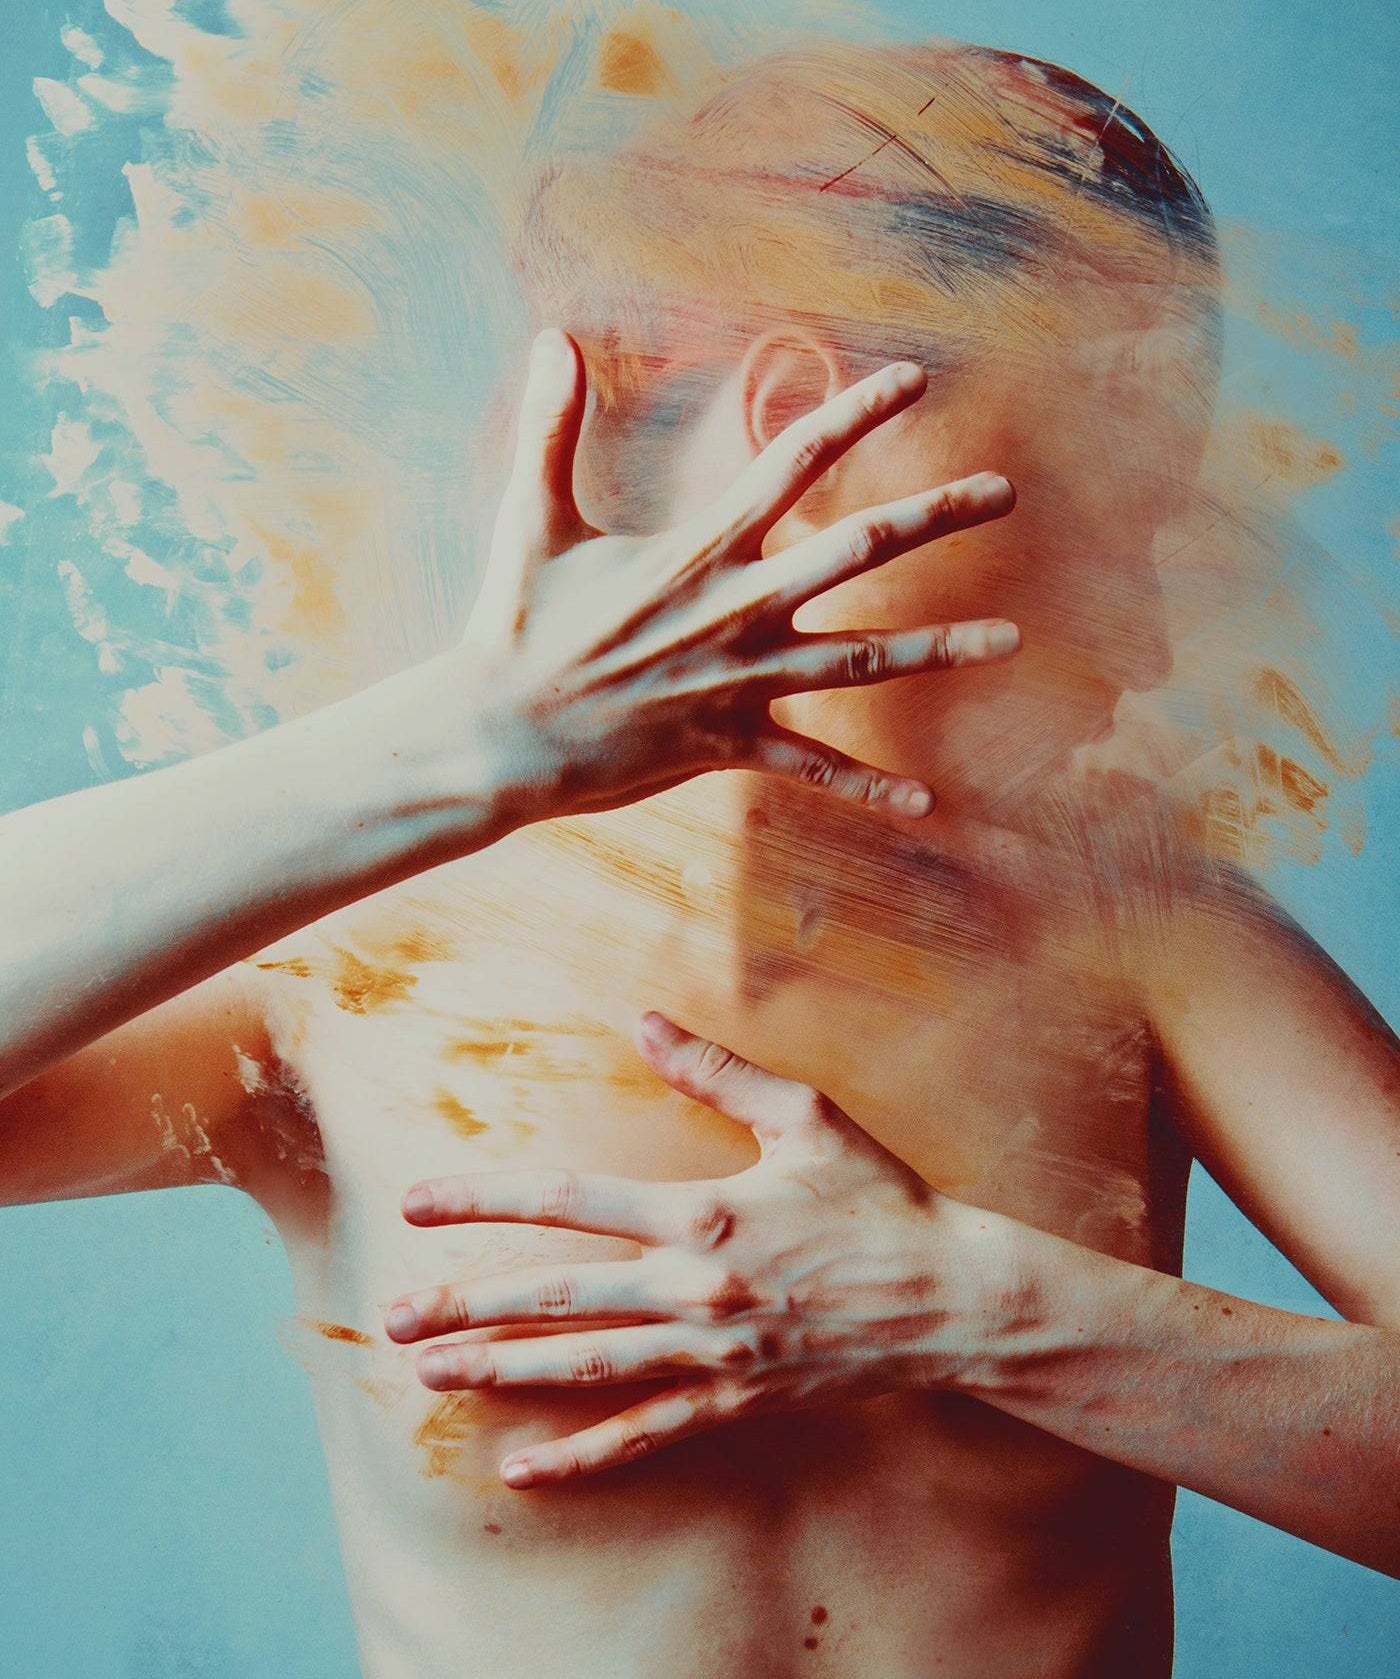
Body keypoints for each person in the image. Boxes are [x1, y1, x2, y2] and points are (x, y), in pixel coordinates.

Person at [3, 37, 1395, 1679]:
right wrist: (460, 741)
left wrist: (976, 1310)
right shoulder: (355, 951)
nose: (1151, 639)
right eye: (1105, 514)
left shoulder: (1140, 936)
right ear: (813, 425)